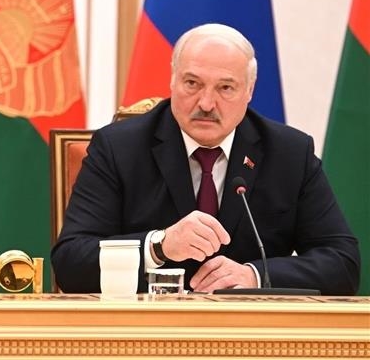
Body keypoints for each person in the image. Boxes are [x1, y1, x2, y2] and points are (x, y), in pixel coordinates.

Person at [51, 23, 359, 295]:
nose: (207, 103)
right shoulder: (119, 147)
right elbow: (70, 261)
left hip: (251, 333)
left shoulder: (289, 153)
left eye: (225, 88)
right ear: (173, 81)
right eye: (192, 83)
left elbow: (343, 263)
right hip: (147, 329)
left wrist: (253, 275)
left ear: (249, 91)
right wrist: (158, 246)